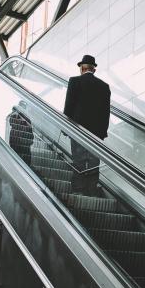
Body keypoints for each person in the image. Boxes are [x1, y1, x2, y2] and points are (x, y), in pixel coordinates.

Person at [64, 54, 111, 195]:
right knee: (93, 164)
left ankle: (78, 190)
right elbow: (106, 113)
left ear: (82, 68)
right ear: (94, 70)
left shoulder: (74, 81)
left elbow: (69, 106)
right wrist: (102, 133)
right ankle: (91, 191)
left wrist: (66, 128)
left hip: (77, 130)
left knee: (78, 160)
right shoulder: (104, 86)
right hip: (96, 134)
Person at [7, 102, 34, 166]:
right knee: (18, 162)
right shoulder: (15, 118)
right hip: (17, 144)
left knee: (25, 162)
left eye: (23, 107)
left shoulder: (26, 119)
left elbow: (30, 133)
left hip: (23, 145)